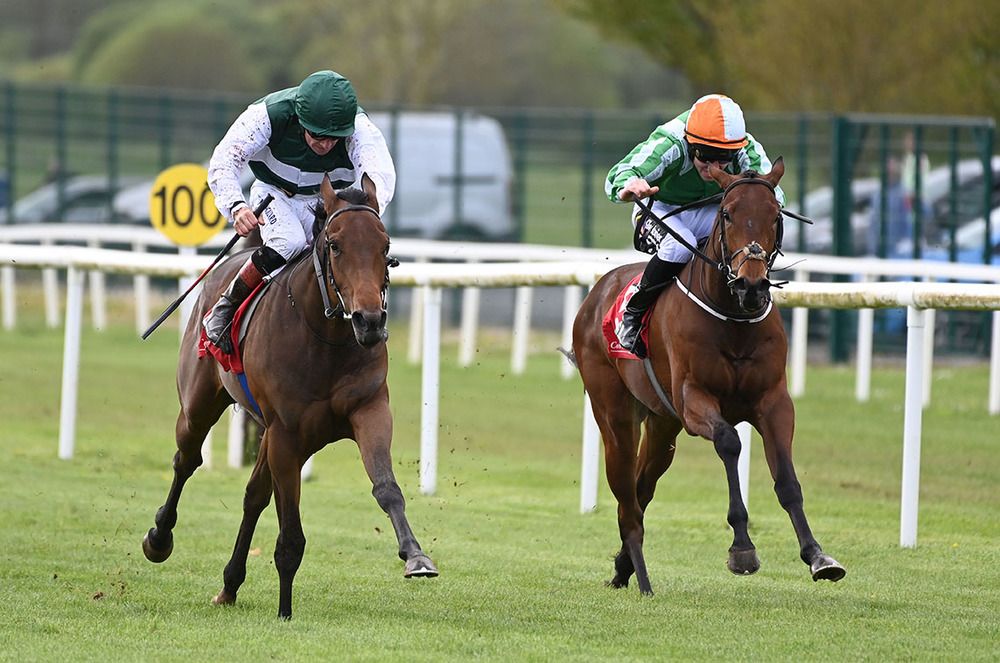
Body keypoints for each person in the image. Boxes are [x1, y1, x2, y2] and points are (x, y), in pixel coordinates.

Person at [204, 70, 396, 353]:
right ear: (300, 118)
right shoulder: (268, 115)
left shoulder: (360, 129)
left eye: (335, 137)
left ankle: (366, 318)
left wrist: (365, 215)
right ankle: (226, 305)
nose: (326, 144)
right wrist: (236, 205)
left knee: (356, 249)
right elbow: (223, 161)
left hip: (329, 204)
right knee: (289, 242)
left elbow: (380, 176)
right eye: (318, 135)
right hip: (274, 195)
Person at [605, 93, 785, 358]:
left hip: (713, 212)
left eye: (724, 157)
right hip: (664, 210)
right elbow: (616, 176)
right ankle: (634, 312)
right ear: (690, 144)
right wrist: (629, 185)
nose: (714, 166)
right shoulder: (670, 143)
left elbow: (774, 196)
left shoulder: (746, 148)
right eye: (706, 155)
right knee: (682, 246)